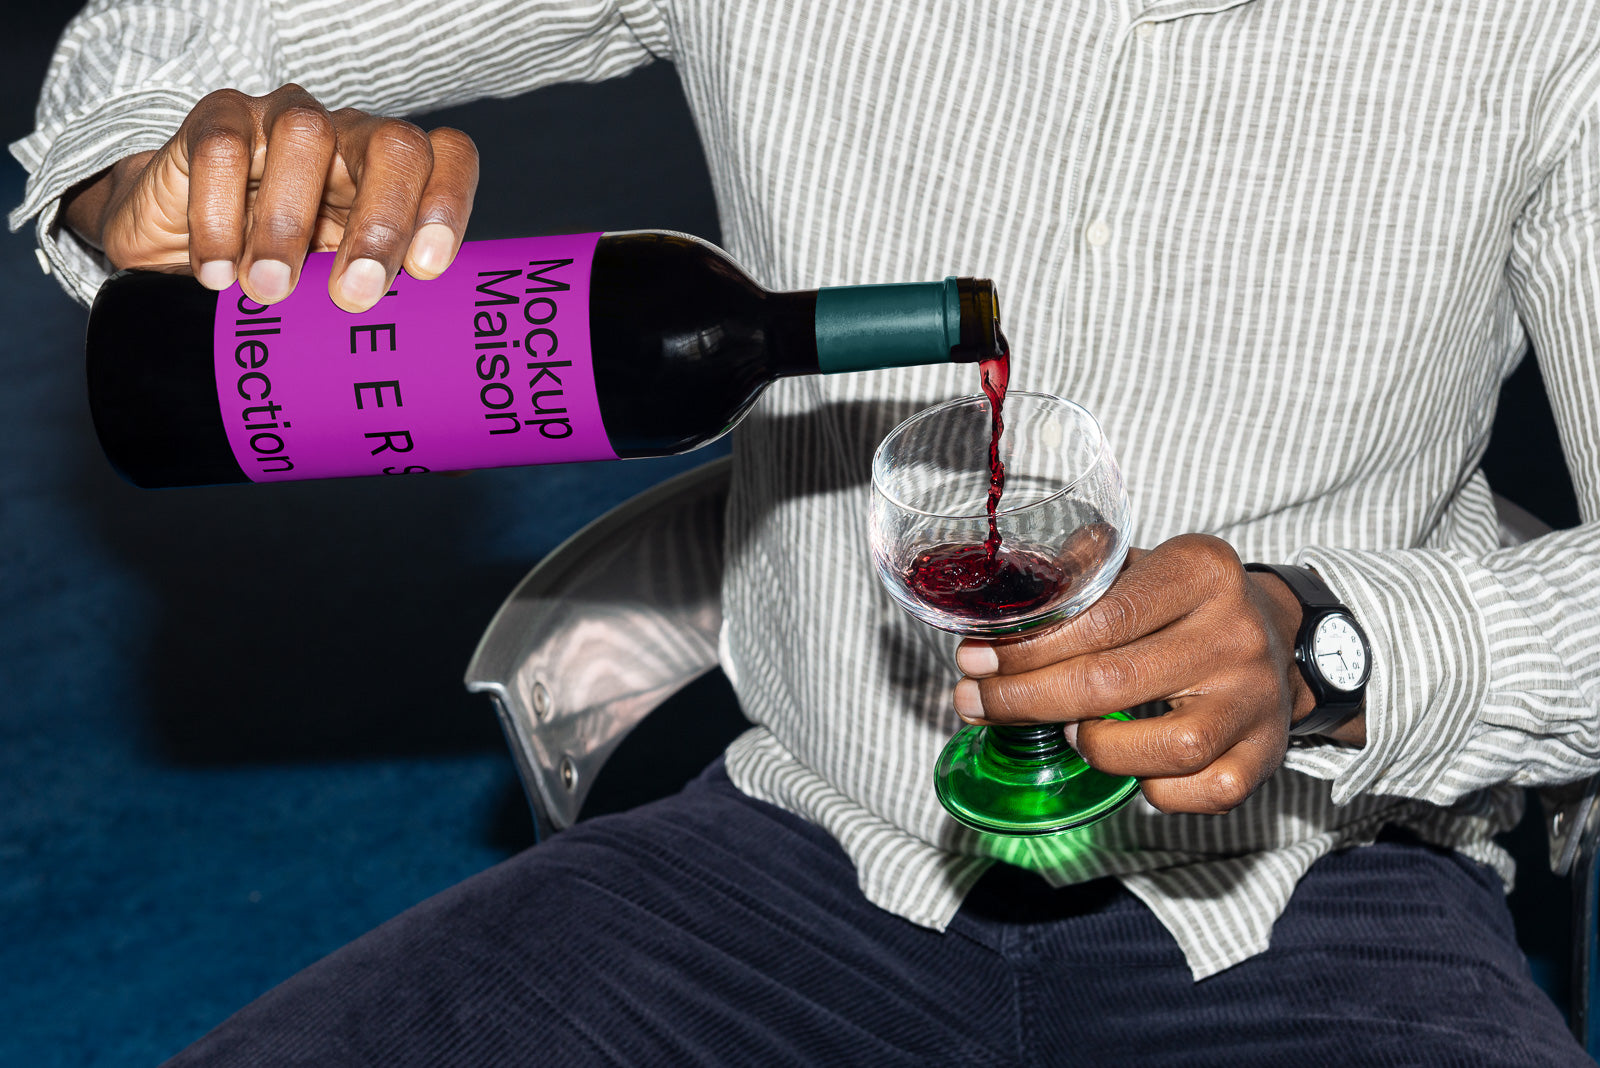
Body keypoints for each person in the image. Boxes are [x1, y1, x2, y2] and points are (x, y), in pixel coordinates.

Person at [13, 0, 1600, 1062]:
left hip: (1312, 893)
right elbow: (154, 42)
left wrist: (1333, 644)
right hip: (794, 857)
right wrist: (167, 170)